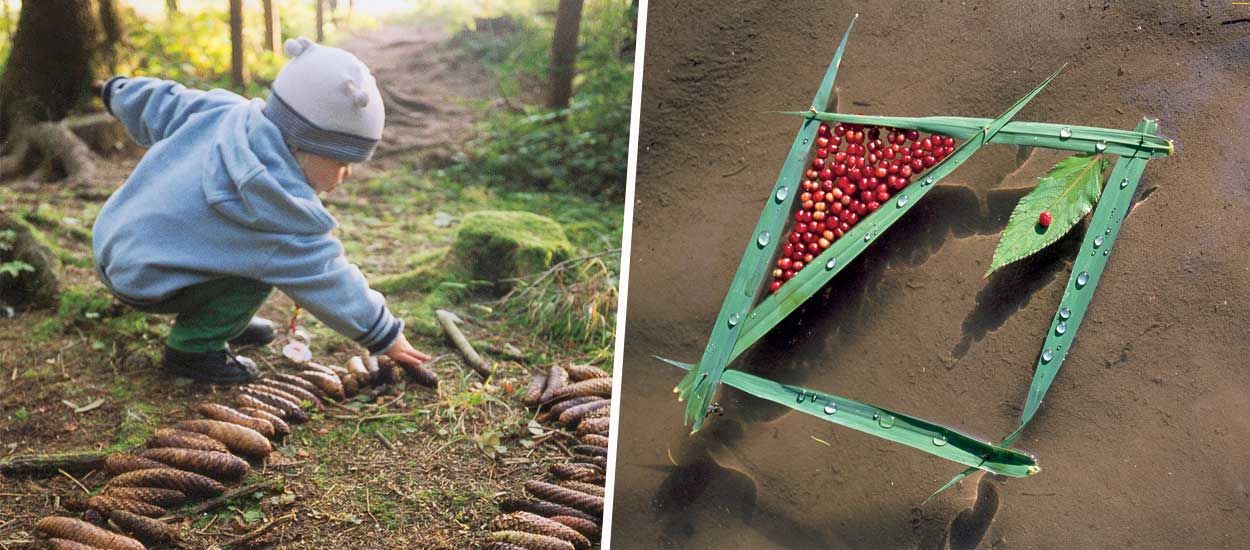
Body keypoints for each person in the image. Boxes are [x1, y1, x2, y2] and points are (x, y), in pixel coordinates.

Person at [92, 37, 430, 384]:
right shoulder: (279, 210)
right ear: (305, 146)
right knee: (257, 273)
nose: (346, 174)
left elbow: (164, 103)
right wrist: (387, 335)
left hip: (113, 241)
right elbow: (330, 277)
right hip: (147, 279)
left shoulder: (226, 111)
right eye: (342, 161)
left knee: (246, 254)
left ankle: (220, 320)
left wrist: (118, 91)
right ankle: (194, 349)